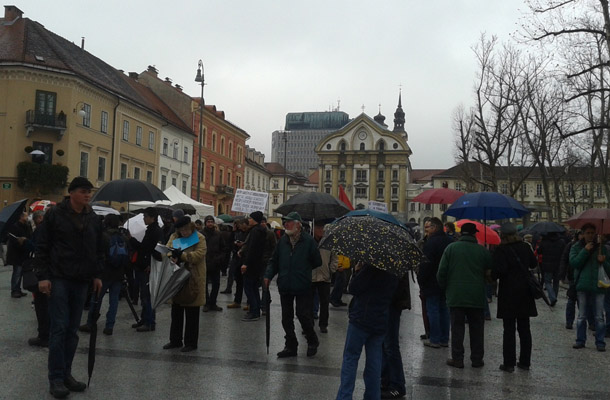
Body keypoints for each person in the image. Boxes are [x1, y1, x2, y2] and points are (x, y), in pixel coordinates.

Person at [34, 177, 104, 399]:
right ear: (71, 192)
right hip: (59, 277)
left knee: (73, 331)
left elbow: (98, 248)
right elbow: (42, 246)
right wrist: (43, 277)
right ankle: (55, 378)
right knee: (59, 328)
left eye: (89, 192)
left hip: (82, 279)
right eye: (83, 191)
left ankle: (66, 374)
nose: (87, 195)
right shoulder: (55, 215)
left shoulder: (92, 217)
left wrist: (97, 274)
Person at [336, 262, 398, 400]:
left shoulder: (371, 266)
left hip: (361, 318)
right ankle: (373, 396)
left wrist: (357, 271)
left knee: (351, 358)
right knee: (374, 361)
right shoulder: (394, 269)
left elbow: (353, 288)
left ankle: (344, 397)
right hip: (380, 319)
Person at [264, 211, 322, 357]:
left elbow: (317, 261)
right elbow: (274, 260)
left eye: (289, 222)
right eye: (285, 222)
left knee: (303, 315)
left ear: (297, 225)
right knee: (286, 318)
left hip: (302, 284)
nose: (285, 224)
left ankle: (312, 340)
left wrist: (303, 269)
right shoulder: (283, 241)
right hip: (285, 283)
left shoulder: (308, 241)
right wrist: (268, 276)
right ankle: (291, 345)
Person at [437, 222, 492, 369]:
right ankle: (477, 359)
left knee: (457, 328)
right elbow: (490, 274)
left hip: (456, 295)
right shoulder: (482, 251)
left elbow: (441, 273)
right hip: (476, 296)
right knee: (477, 329)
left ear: (461, 233)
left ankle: (458, 359)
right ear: (475, 234)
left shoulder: (451, 248)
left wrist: (446, 288)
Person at [491, 223, 538, 372]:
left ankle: (509, 363)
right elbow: (533, 263)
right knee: (525, 329)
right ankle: (525, 362)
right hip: (525, 292)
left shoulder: (501, 250)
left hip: (508, 293)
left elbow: (499, 272)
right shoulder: (525, 247)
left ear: (502, 235)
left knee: (509, 329)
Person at [163, 216, 207, 352]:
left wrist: (181, 255)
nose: (184, 232)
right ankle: (175, 340)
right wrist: (171, 255)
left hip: (193, 277)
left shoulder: (199, 238)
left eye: (186, 229)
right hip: (177, 277)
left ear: (191, 227)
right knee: (176, 311)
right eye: (181, 230)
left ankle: (191, 342)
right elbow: (167, 251)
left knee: (192, 312)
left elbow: (199, 255)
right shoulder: (174, 236)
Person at [79, 214, 128, 335]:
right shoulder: (123, 237)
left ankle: (91, 323)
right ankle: (109, 326)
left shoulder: (103, 236)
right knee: (114, 300)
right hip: (118, 274)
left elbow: (97, 255)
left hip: (104, 273)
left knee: (96, 299)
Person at [570, 223, 610, 351]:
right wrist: (585, 251)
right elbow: (574, 263)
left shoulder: (602, 248)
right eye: (588, 233)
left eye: (592, 233)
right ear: (583, 234)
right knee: (582, 315)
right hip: (582, 285)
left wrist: (604, 261)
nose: (590, 235)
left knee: (599, 316)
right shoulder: (577, 247)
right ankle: (580, 340)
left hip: (598, 286)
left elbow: (608, 269)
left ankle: (600, 342)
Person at [417, 217, 453, 348]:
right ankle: (444, 338)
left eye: (428, 228)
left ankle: (435, 339)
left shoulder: (431, 243)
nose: (426, 230)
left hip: (432, 280)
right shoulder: (450, 241)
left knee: (432, 309)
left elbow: (426, 264)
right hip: (446, 280)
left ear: (435, 228)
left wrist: (421, 279)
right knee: (444, 309)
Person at [128, 207, 163, 332]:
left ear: (152, 218)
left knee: (147, 296)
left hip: (147, 267)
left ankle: (149, 322)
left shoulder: (154, 231)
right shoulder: (152, 230)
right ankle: (144, 319)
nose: (143, 219)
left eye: (145, 216)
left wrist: (131, 239)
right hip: (144, 265)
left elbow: (146, 249)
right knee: (144, 295)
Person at [381, 273, 410, 399]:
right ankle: (386, 380)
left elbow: (396, 285)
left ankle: (398, 385)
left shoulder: (395, 259)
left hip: (391, 304)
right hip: (387, 303)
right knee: (384, 344)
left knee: (390, 345)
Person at [240, 211, 268, 321]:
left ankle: (254, 311)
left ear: (255, 220)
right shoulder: (261, 230)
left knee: (249, 288)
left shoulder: (255, 231)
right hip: (258, 264)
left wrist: (245, 263)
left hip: (252, 265)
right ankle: (255, 310)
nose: (249, 220)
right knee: (254, 288)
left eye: (250, 218)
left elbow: (252, 249)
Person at [27, 210, 49, 347]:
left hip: (43, 272)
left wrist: (25, 242)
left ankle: (44, 335)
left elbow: (38, 248)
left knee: (42, 306)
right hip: (56, 273)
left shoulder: (42, 229)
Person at [312, 221, 338, 333]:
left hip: (325, 276)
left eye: (322, 228)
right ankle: (308, 324)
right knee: (308, 302)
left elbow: (334, 257)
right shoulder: (309, 241)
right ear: (313, 229)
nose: (320, 230)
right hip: (311, 276)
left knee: (324, 302)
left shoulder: (329, 242)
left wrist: (331, 270)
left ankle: (323, 324)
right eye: (318, 228)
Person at [202, 215, 226, 312]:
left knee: (216, 284)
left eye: (211, 222)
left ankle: (213, 302)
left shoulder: (218, 234)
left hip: (216, 263)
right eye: (208, 222)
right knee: (204, 285)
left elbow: (223, 248)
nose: (210, 223)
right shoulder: (201, 234)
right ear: (205, 223)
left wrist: (220, 258)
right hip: (204, 263)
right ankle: (206, 303)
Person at [7, 211, 32, 298]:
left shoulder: (27, 226)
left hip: (24, 254)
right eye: (26, 215)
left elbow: (29, 237)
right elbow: (14, 241)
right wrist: (22, 242)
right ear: (21, 217)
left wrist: (26, 241)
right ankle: (14, 290)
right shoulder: (14, 227)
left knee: (20, 272)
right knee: (17, 272)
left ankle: (18, 289)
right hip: (16, 254)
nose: (28, 217)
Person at [537, 232, 566, 306]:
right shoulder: (561, 241)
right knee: (556, 283)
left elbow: (539, 251)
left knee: (547, 282)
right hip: (558, 265)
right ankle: (554, 297)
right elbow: (564, 252)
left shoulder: (544, 242)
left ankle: (552, 298)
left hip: (547, 265)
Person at [226, 218, 247, 308]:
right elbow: (229, 243)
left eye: (236, 224)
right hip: (236, 258)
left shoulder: (247, 233)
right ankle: (237, 301)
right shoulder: (235, 233)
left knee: (246, 282)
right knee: (238, 281)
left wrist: (243, 245)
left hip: (244, 259)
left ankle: (250, 303)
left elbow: (249, 244)